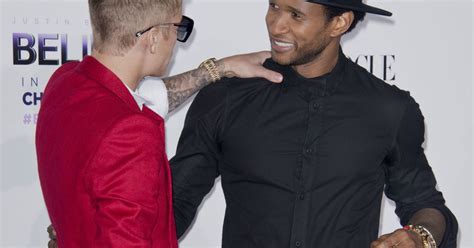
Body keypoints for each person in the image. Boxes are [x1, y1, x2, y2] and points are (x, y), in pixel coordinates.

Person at [170, 0, 458, 247]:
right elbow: (173, 206)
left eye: (296, 15)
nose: (276, 25)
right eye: (274, 6)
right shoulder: (225, 98)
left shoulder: (389, 109)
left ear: (339, 23)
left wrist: (420, 236)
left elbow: (425, 206)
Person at [36, 0, 282, 247]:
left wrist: (219, 69)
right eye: (178, 27)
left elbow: (140, 100)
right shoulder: (131, 133)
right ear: (152, 38)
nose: (177, 38)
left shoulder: (64, 82)